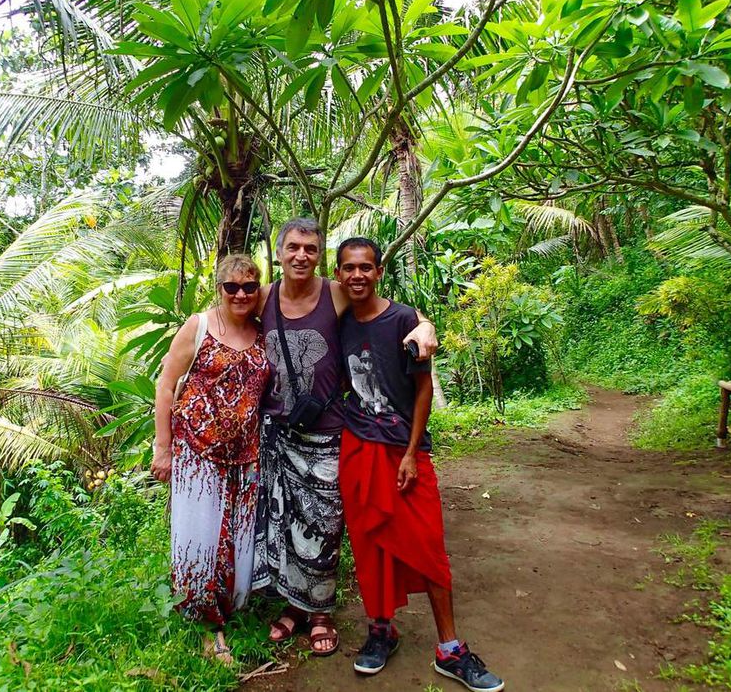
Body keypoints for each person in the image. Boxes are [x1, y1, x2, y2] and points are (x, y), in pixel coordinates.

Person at [252, 218, 438, 656]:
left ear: (321, 259)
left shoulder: (335, 293)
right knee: (283, 522)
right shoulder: (262, 297)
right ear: (279, 253)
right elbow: (223, 319)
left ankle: (319, 613)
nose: (301, 255)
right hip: (278, 431)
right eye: (293, 247)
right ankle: (293, 607)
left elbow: (380, 302)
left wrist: (425, 324)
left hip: (329, 431)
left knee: (323, 525)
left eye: (311, 249)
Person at [335, 237, 504, 691]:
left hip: (403, 450)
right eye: (348, 267)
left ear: (379, 271)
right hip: (357, 446)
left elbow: (423, 388)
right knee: (370, 543)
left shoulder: (404, 319)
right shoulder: (339, 322)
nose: (357, 275)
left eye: (365, 267)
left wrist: (411, 451)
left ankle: (450, 649)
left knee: (429, 546)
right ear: (338, 274)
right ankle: (380, 629)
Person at [151, 254, 271, 664]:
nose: (240, 294)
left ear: (258, 290)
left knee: (235, 539)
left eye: (249, 287)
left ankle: (230, 607)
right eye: (231, 287)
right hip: (197, 454)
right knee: (200, 537)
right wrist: (162, 448)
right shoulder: (198, 327)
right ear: (218, 289)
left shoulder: (262, 332)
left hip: (245, 455)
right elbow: (166, 387)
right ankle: (206, 623)